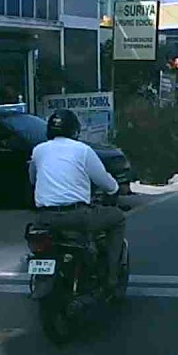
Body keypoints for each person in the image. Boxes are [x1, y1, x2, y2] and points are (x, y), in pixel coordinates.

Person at [29, 109, 126, 290]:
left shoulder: (38, 150)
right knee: (118, 218)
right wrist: (114, 189)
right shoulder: (83, 150)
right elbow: (106, 182)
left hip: (45, 219)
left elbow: (33, 180)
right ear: (75, 131)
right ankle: (112, 277)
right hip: (77, 216)